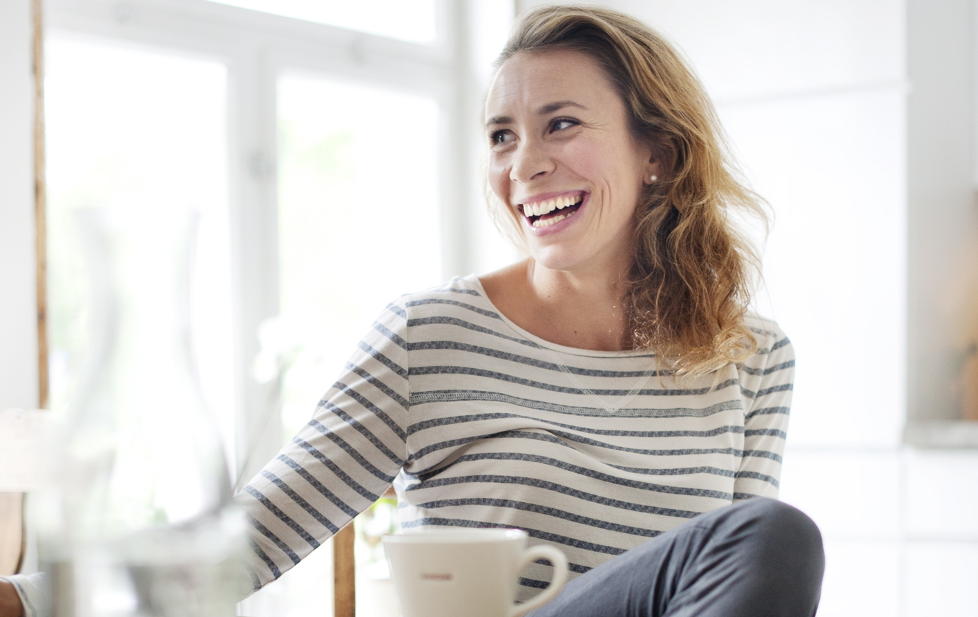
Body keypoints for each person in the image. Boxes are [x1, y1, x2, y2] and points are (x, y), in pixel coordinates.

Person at [1, 5, 824, 616]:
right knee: (771, 532)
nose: (524, 166)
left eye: (561, 125)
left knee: (768, 537)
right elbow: (255, 534)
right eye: (501, 136)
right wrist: (28, 598)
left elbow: (732, 585)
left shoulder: (753, 357)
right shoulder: (430, 336)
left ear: (658, 154)